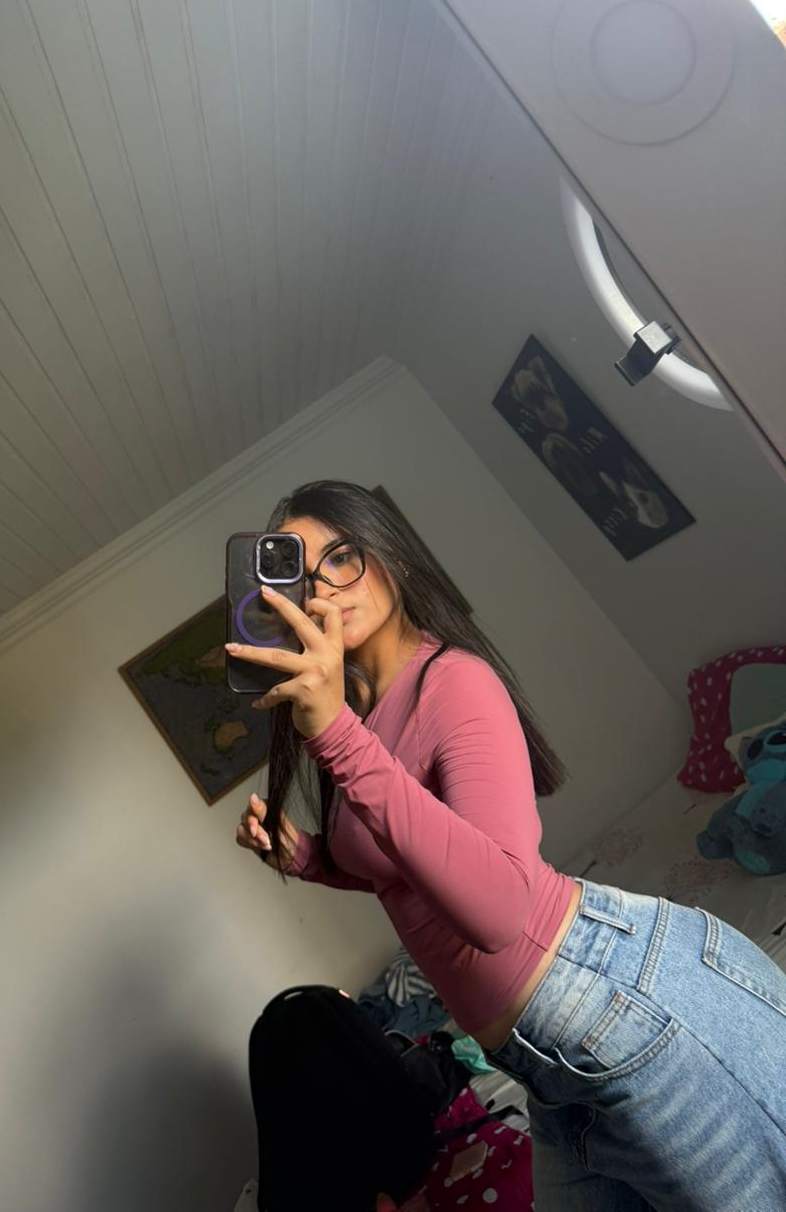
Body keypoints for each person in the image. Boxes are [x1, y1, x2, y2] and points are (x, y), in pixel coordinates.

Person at [232, 480, 786, 1212]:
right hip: (541, 1063)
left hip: (612, 999)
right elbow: (408, 874)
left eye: (341, 557)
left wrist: (334, 734)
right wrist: (306, 858)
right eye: (303, 578)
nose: (325, 588)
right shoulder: (359, 719)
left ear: (393, 558)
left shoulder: (451, 682)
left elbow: (499, 911)